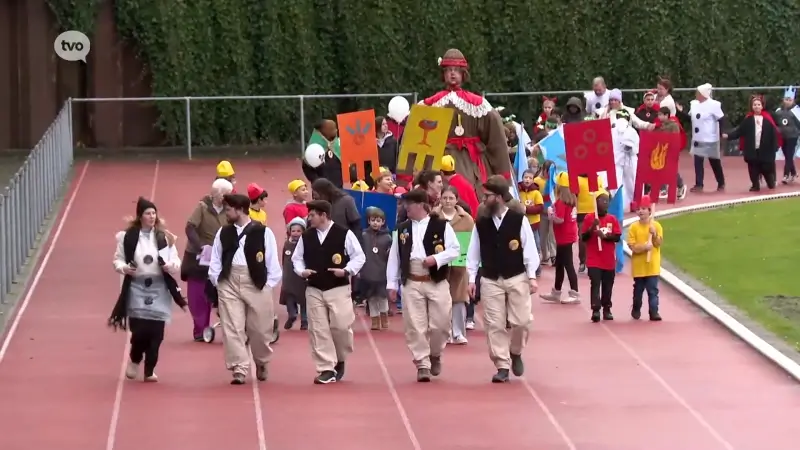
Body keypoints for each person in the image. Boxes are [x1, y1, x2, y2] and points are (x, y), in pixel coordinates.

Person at [466, 177, 539, 383]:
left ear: (498, 197)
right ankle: (502, 364)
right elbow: (473, 253)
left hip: (516, 276)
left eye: (487, 196)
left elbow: (530, 249)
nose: (483, 199)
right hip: (490, 278)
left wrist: (531, 276)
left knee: (522, 322)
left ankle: (515, 351)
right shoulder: (480, 223)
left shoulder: (518, 220)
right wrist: (471, 279)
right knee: (494, 324)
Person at [208, 193, 283, 385]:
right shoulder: (223, 233)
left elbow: (272, 262)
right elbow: (215, 258)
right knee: (232, 327)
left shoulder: (263, 232)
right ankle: (239, 367)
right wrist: (218, 281)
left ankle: (262, 360)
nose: (226, 213)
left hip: (256, 282)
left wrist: (268, 286)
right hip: (229, 282)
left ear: (240, 210)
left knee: (259, 330)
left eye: (228, 210)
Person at [387, 189, 460, 382]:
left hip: (435, 278)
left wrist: (436, 259)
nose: (405, 208)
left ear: (419, 205)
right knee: (415, 325)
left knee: (441, 323)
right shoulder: (402, 228)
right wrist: (392, 283)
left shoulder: (441, 225)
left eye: (408, 204)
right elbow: (395, 256)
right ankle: (422, 363)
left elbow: (455, 250)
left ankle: (435, 353)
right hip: (412, 279)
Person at [110, 197, 186, 382]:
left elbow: (176, 260)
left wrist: (170, 266)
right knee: (140, 331)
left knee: (156, 334)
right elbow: (118, 260)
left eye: (154, 213)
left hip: (159, 288)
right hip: (136, 287)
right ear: (140, 216)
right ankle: (135, 359)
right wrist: (124, 268)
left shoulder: (163, 237)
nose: (152, 216)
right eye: (147, 213)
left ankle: (149, 369)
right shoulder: (128, 237)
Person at [292, 200, 366, 384]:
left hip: (338, 287)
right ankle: (326, 368)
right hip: (314, 288)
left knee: (340, 327)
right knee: (318, 329)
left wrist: (347, 270)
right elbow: (297, 258)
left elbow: (359, 256)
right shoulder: (307, 236)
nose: (309, 218)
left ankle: (340, 358)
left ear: (324, 215)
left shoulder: (344, 233)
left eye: (312, 215)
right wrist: (302, 271)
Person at [420, 48, 511, 195]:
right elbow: (418, 143)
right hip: (440, 161)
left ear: (463, 74)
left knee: (473, 198)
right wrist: (412, 177)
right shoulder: (430, 105)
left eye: (456, 70)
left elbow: (497, 141)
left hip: (472, 162)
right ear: (443, 74)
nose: (452, 73)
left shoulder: (479, 105)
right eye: (449, 70)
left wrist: (503, 174)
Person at [182, 178, 231, 341]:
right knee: (198, 296)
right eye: (227, 194)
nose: (230, 197)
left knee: (223, 293)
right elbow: (190, 227)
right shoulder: (202, 207)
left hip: (220, 257)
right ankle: (200, 330)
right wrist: (200, 246)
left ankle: (230, 327)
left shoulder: (229, 210)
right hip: (199, 258)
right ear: (219, 195)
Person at [433, 186, 474, 344]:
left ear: (457, 200)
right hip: (439, 264)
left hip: (459, 265)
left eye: (451, 198)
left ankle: (458, 332)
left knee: (459, 298)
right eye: (444, 198)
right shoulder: (433, 216)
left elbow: (472, 242)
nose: (447, 201)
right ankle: (444, 332)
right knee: (440, 299)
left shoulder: (467, 219)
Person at [723, 95, 781, 192]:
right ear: (752, 106)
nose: (757, 106)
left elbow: (773, 134)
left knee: (766, 168)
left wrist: (775, 146)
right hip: (752, 149)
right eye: (755, 105)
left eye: (758, 104)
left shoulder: (767, 119)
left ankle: (770, 182)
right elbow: (739, 131)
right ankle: (755, 184)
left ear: (762, 106)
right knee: (753, 168)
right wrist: (728, 136)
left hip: (765, 149)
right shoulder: (748, 120)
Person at [580, 190, 621, 322]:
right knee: (595, 283)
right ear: (596, 202)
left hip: (608, 259)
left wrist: (605, 236)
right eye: (603, 201)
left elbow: (617, 237)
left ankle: (607, 308)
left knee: (608, 285)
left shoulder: (612, 219)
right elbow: (584, 237)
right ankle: (595, 309)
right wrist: (592, 228)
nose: (605, 203)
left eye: (607, 201)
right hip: (594, 259)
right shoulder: (589, 218)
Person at [540, 173, 580, 304]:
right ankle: (556, 291)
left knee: (567, 264)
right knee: (560, 265)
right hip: (568, 235)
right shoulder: (571, 200)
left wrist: (551, 216)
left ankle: (575, 293)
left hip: (564, 237)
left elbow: (560, 220)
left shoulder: (562, 202)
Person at [627, 196, 663, 321]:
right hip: (639, 267)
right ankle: (636, 308)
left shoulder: (656, 226)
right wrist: (644, 247)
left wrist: (654, 234)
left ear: (649, 211)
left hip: (652, 266)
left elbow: (658, 243)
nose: (640, 211)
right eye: (639, 209)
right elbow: (632, 247)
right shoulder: (633, 227)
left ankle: (654, 312)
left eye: (643, 209)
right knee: (638, 292)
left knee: (653, 291)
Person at [687, 83, 726, 192]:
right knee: (698, 162)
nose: (696, 94)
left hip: (710, 138)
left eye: (698, 92)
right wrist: (680, 112)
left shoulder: (714, 105)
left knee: (714, 162)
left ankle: (721, 182)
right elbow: (689, 118)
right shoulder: (694, 104)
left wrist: (721, 132)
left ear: (703, 94)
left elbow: (721, 118)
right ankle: (699, 184)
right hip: (698, 137)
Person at [360, 207, 393, 330]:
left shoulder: (388, 238)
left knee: (382, 296)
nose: (375, 223)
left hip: (382, 271)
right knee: (371, 297)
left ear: (383, 222)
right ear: (368, 221)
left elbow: (390, 256)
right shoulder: (363, 235)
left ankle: (384, 316)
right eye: (373, 220)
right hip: (368, 271)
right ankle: (374, 319)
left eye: (378, 220)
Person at [281, 218, 308, 330]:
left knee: (304, 298)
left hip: (301, 277)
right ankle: (292, 315)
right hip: (289, 277)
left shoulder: (305, 244)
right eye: (293, 231)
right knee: (289, 296)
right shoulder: (287, 244)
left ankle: (304, 320)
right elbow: (284, 259)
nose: (296, 233)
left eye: (298, 231)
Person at [575, 173, 604, 273]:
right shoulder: (577, 179)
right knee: (583, 237)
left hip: (595, 213)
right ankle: (583, 262)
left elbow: (602, 193)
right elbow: (574, 194)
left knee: (596, 237)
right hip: (582, 213)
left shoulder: (599, 178)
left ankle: (594, 261)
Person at [612, 110, 641, 210]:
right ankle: (620, 204)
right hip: (618, 159)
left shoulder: (631, 131)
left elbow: (635, 147)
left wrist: (630, 147)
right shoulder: (613, 130)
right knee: (618, 182)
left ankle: (633, 202)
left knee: (630, 181)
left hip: (628, 159)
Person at [518, 169, 544, 277]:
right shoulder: (518, 192)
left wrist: (527, 209)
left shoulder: (536, 193)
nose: (527, 180)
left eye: (530, 178)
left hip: (533, 226)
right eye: (525, 177)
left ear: (533, 180)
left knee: (536, 246)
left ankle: (537, 268)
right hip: (521, 225)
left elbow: (540, 207)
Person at [303, 119, 343, 187]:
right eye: (332, 129)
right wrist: (317, 181)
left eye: (335, 128)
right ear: (323, 131)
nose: (336, 130)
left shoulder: (337, 145)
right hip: (321, 190)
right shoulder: (313, 148)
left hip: (338, 188)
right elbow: (307, 168)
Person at [774, 86, 799, 184]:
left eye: (790, 100)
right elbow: (775, 123)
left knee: (789, 155)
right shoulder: (778, 111)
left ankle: (786, 175)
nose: (788, 101)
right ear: (783, 99)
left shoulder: (796, 110)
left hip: (793, 137)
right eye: (786, 99)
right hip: (782, 136)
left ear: (793, 100)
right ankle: (793, 172)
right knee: (787, 155)